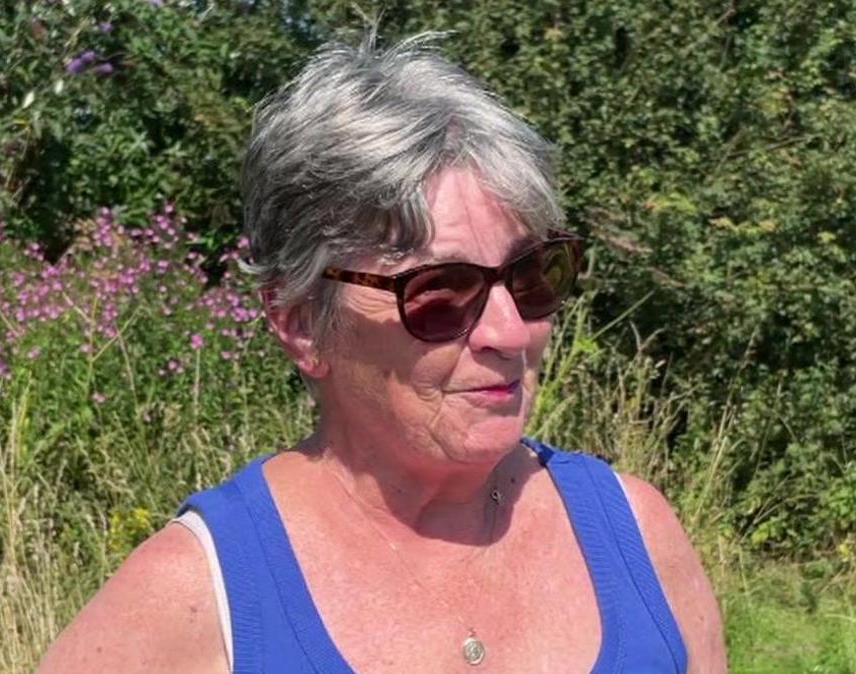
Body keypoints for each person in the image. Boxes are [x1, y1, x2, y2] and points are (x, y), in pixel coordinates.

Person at [37, 32, 726, 674]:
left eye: (531, 275)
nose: (510, 332)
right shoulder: (197, 600)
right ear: (303, 323)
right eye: (440, 294)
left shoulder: (636, 537)